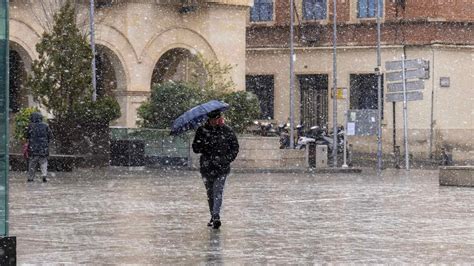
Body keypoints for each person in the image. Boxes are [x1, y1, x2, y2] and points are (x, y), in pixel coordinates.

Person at [192, 110, 239, 229]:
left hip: (222, 167)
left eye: (217, 118)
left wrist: (227, 159)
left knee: (217, 192)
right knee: (210, 193)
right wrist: (203, 144)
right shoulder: (202, 131)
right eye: (213, 119)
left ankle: (216, 216)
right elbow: (196, 148)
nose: (215, 121)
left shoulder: (227, 131)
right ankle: (213, 216)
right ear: (209, 119)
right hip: (207, 167)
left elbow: (235, 147)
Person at [26, 112, 52, 182]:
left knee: (32, 163)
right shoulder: (46, 125)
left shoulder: (30, 126)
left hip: (33, 148)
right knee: (43, 162)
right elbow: (50, 136)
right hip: (43, 148)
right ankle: (44, 175)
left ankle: (30, 178)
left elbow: (27, 136)